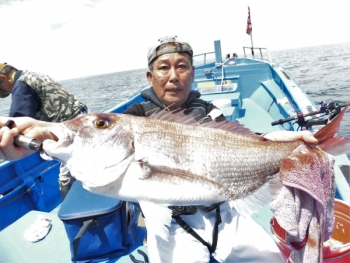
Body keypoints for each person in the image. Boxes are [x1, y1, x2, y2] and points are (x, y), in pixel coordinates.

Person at [0, 36, 318, 263]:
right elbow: (89, 145)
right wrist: (39, 140)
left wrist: (277, 140)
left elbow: (244, 142)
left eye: (182, 67)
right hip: (169, 227)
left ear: (192, 75)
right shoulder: (135, 117)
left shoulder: (210, 111)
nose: (173, 76)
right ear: (150, 76)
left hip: (226, 214)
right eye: (163, 67)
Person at [0, 63, 88, 199]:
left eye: (2, 88)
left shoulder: (21, 85)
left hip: (69, 134)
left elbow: (18, 122)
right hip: (84, 121)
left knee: (67, 180)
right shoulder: (34, 74)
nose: (8, 92)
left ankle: (81, 216)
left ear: (3, 78)